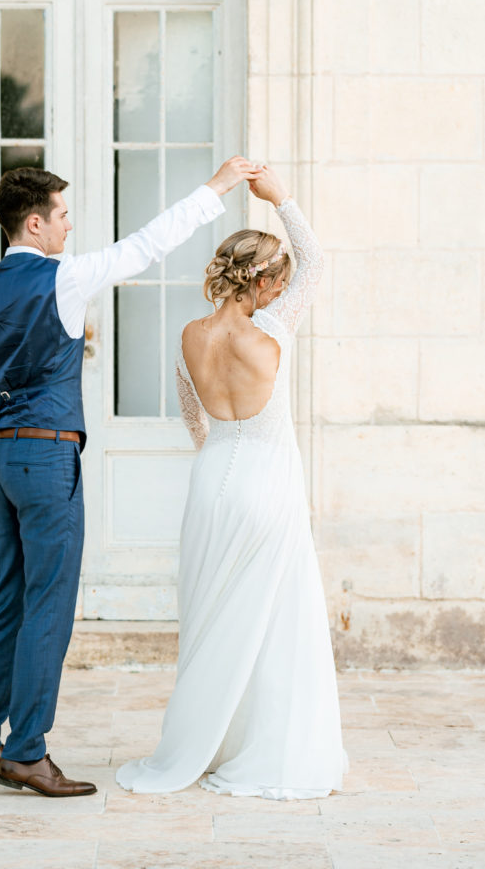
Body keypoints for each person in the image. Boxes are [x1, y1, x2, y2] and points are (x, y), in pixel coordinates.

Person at [0, 156, 257, 797]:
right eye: (61, 216)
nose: (68, 227)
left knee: (5, 599)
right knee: (47, 607)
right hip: (47, 455)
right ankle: (26, 752)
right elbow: (146, 245)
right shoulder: (64, 278)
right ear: (34, 223)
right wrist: (217, 189)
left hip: (0, 458)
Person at [116, 165, 347, 799]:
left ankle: (206, 745)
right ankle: (266, 750)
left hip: (212, 477)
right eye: (279, 281)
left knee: (212, 619)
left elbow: (195, 421)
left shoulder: (191, 335)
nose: (283, 290)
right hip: (268, 482)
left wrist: (225, 457)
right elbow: (318, 261)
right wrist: (282, 199)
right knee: (277, 622)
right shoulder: (273, 328)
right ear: (267, 281)